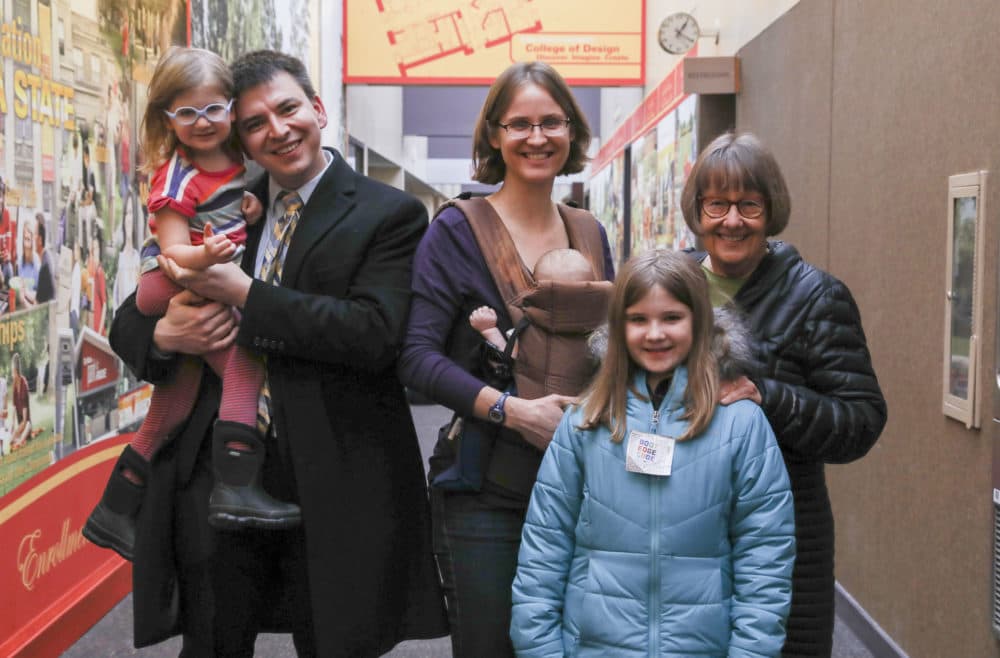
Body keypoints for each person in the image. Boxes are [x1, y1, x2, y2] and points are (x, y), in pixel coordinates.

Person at [108, 49, 447, 655]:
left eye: (288, 109)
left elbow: (376, 334)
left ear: (317, 109)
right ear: (241, 137)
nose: (278, 130)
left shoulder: (387, 212)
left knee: (332, 640)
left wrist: (248, 296)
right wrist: (165, 338)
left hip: (332, 473)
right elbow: (132, 315)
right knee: (213, 639)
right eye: (256, 123)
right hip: (218, 473)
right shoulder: (229, 205)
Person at [398, 61, 614, 657]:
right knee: (493, 646)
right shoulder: (456, 229)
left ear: (571, 131)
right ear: (494, 134)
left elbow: (616, 348)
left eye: (552, 122)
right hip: (484, 490)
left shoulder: (591, 232)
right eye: (520, 124)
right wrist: (513, 410)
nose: (537, 137)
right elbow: (415, 358)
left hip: (583, 485)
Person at [510, 249, 796, 656]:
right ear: (617, 328)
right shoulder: (585, 423)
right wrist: (539, 648)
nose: (655, 333)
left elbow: (765, 556)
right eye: (638, 319)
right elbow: (544, 545)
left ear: (699, 322)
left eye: (672, 318)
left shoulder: (741, 425)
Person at [680, 132, 887, 657]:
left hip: (783, 537)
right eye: (717, 204)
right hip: (678, 532)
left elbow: (861, 421)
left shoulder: (817, 295)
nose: (732, 221)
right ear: (697, 211)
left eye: (749, 205)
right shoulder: (668, 287)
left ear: (771, 212)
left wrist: (767, 397)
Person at [83, 46, 291, 564]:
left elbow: (237, 208)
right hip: (170, 281)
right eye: (187, 112)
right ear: (168, 119)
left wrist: (250, 205)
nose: (203, 122)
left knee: (172, 403)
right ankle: (236, 486)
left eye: (214, 109)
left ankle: (115, 509)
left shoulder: (243, 164)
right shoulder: (176, 177)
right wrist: (207, 255)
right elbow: (173, 250)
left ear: (231, 107)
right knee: (244, 365)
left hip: (203, 277)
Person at [469, 247, 611, 398]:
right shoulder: (603, 326)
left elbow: (508, 358)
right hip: (577, 407)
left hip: (533, 401)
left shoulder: (529, 328)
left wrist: (489, 330)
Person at [9, 352, 31, 449]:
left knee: (27, 427)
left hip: (25, 424)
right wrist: (12, 424)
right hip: (19, 424)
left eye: (12, 371)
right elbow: (14, 406)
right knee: (12, 440)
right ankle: (18, 440)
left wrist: (16, 432)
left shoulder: (24, 385)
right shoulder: (14, 385)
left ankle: (20, 440)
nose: (11, 373)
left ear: (16, 370)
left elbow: (25, 420)